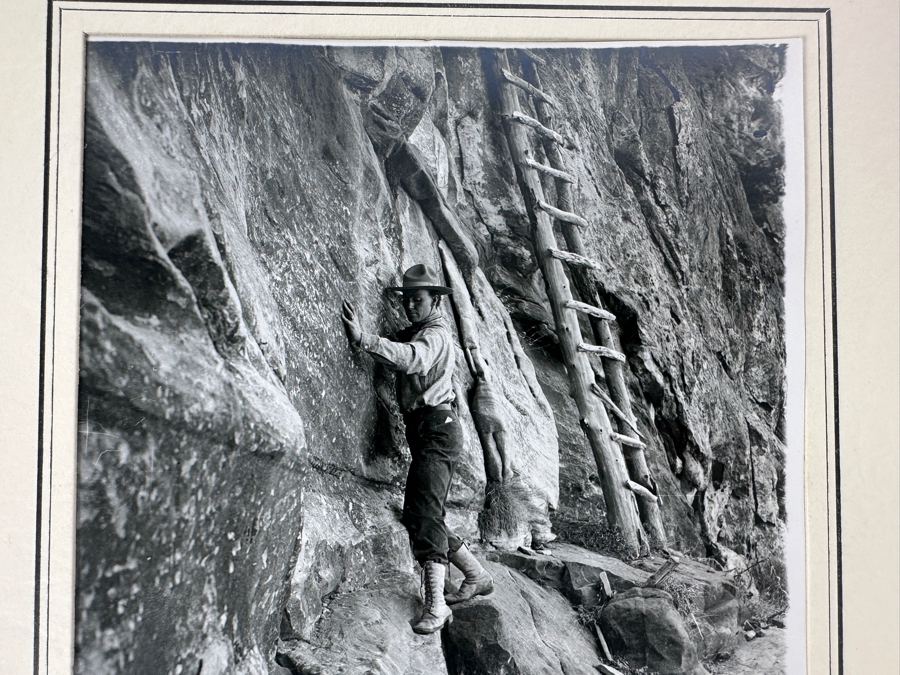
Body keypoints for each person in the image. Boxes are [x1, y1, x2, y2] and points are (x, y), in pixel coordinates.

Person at [341, 264, 493, 635]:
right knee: (420, 514)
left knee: (424, 514)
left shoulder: (436, 335)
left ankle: (436, 606)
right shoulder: (422, 330)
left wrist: (365, 339)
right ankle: (476, 574)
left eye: (418, 300)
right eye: (406, 299)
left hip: (437, 430)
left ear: (436, 300)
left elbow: (413, 358)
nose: (411, 305)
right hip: (428, 429)